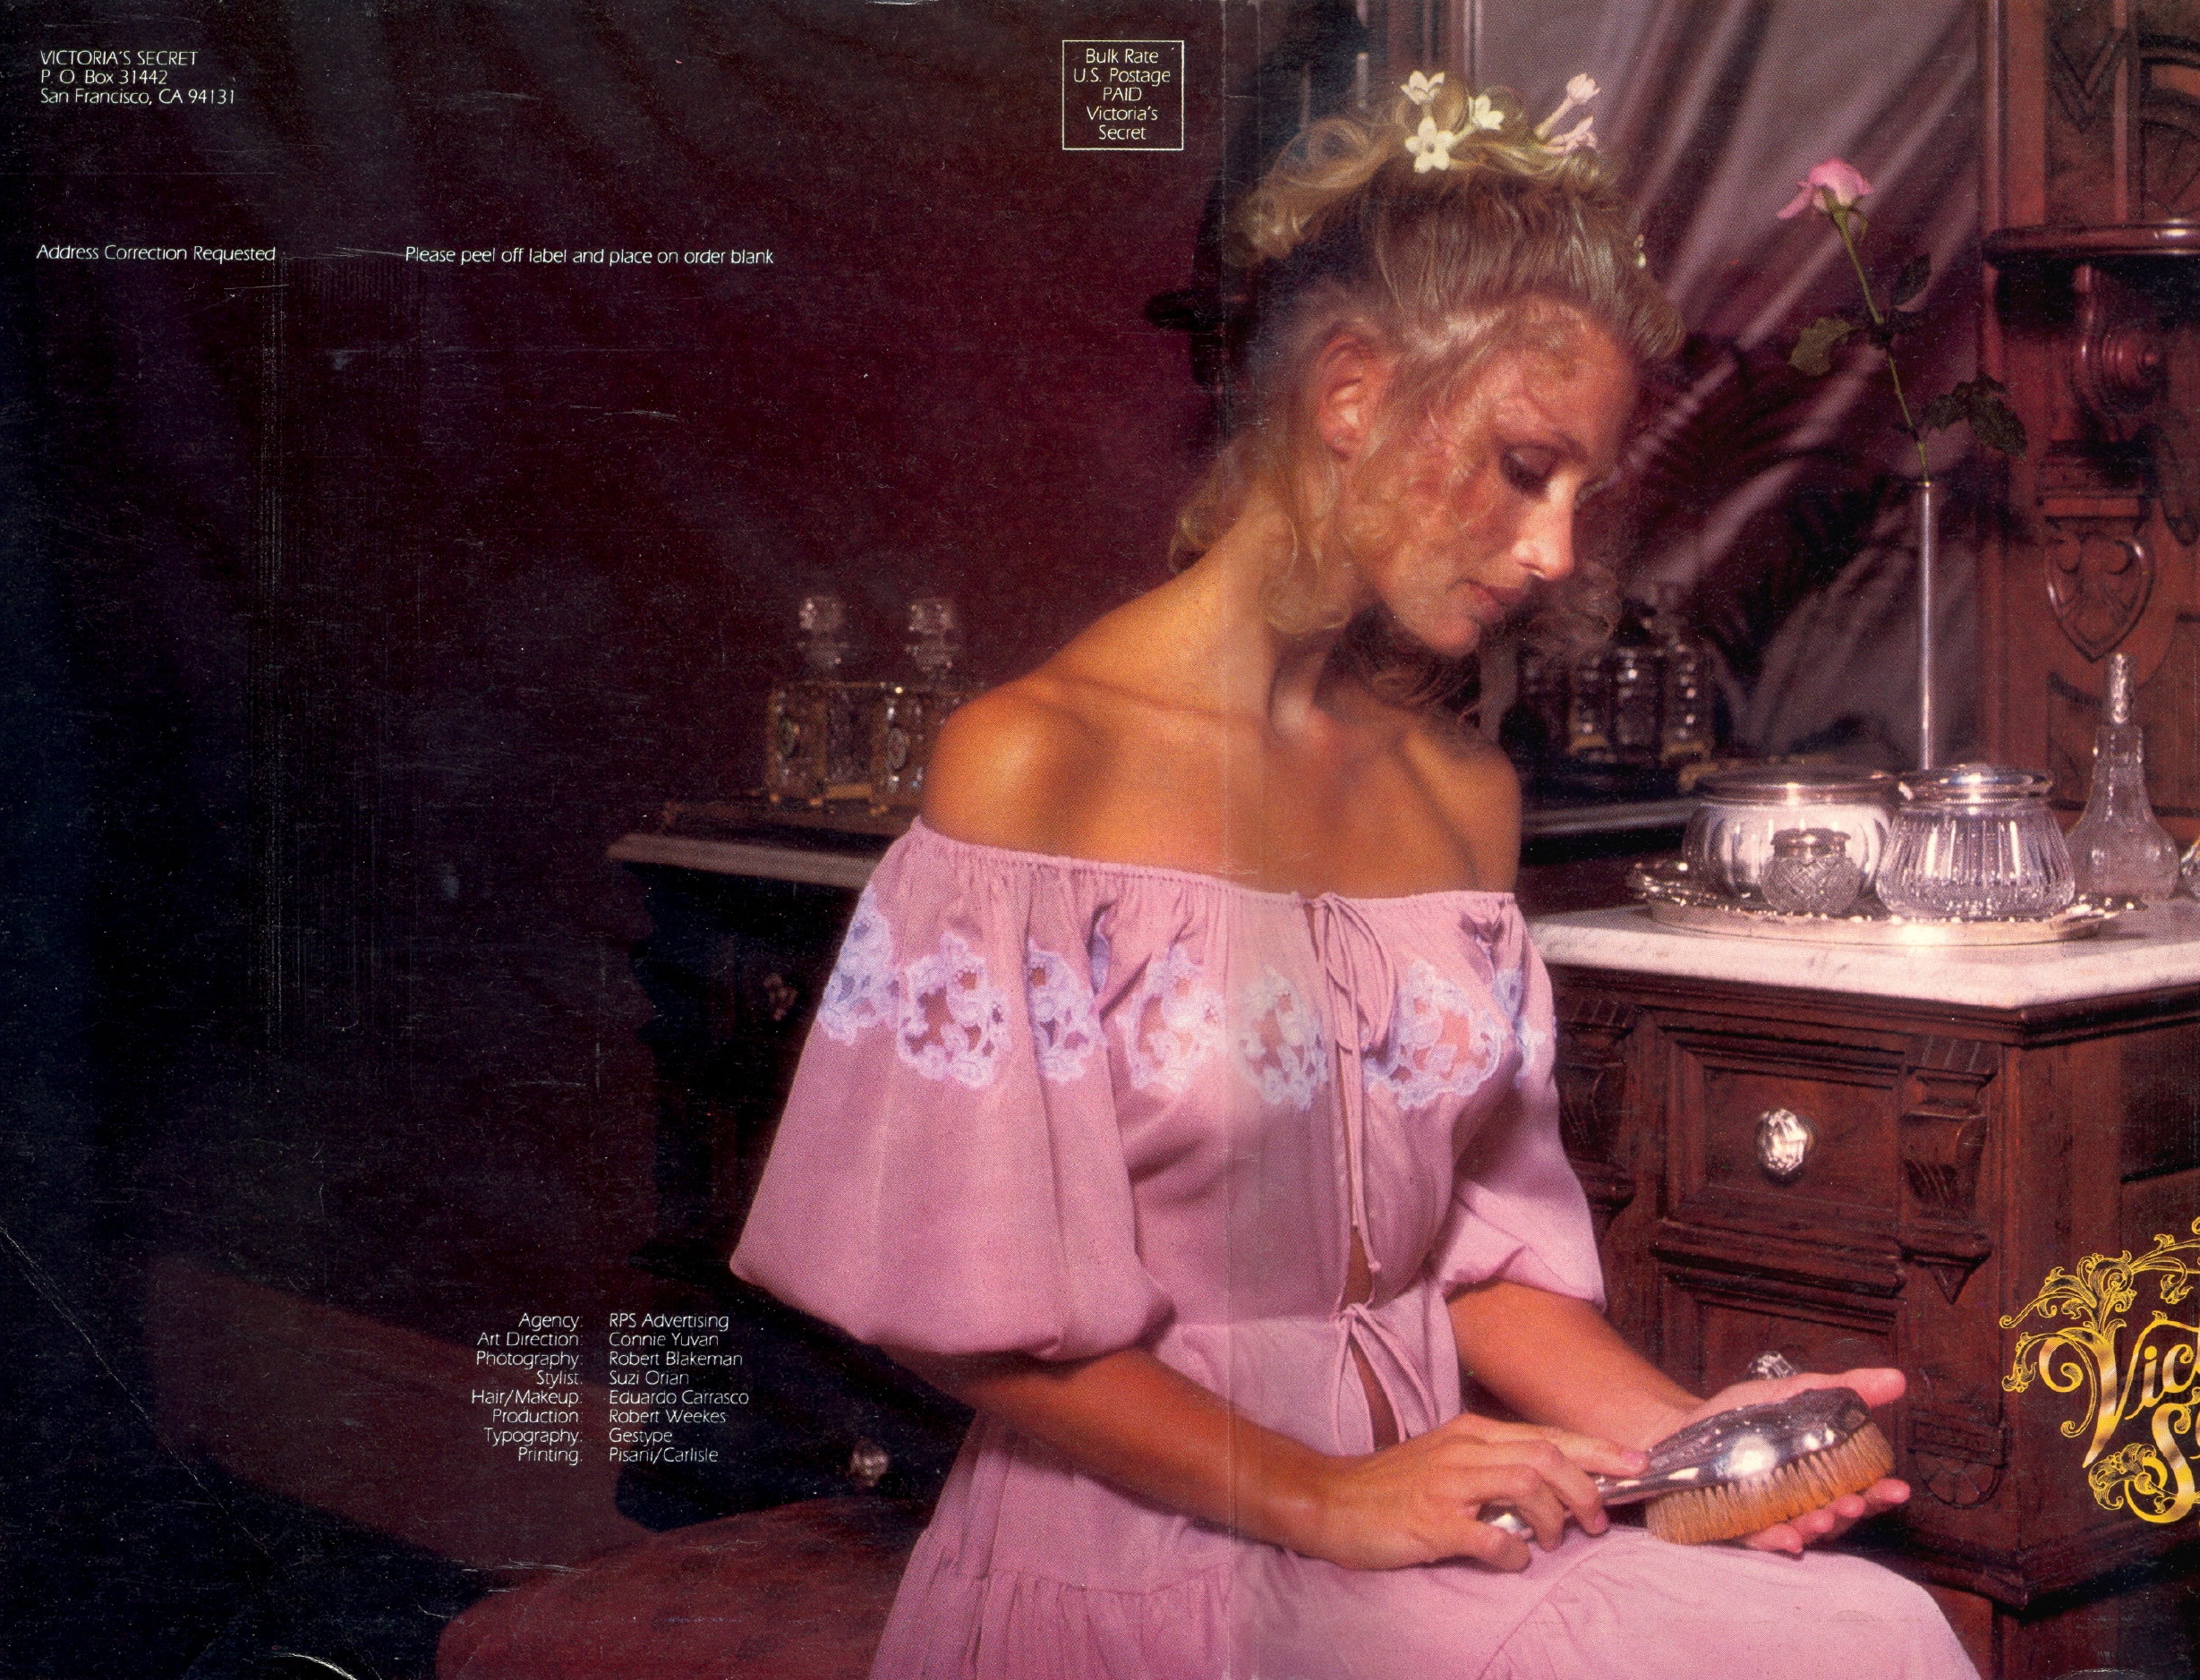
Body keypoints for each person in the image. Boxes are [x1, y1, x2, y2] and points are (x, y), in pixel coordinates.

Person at [731, 72, 1978, 1680]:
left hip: (1433, 1519)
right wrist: (1320, 1495)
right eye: (1522, 466)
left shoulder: (1456, 798)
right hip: (1137, 1554)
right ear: (1350, 390)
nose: (1554, 549)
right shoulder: (1036, 763)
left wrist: (1694, 1441)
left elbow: (1463, 1260)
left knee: (1869, 1627)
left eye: (1580, 493)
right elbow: (953, 1309)